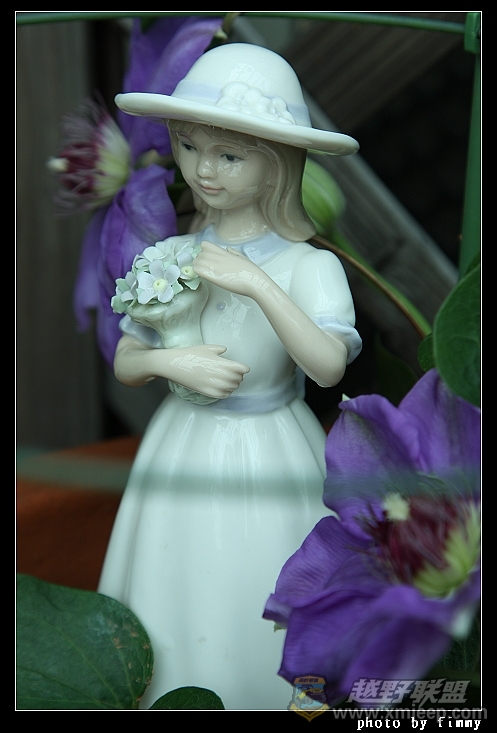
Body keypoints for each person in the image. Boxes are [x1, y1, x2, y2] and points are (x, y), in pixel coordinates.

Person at [98, 42, 362, 711]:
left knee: (265, 573)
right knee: (177, 574)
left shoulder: (310, 266)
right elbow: (127, 357)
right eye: (188, 147)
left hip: (272, 441)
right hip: (183, 440)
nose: (203, 170)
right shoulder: (171, 253)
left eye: (230, 156)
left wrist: (257, 284)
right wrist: (167, 361)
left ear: (277, 164)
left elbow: (328, 365)